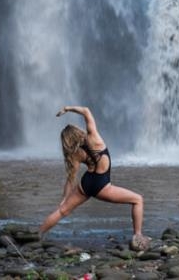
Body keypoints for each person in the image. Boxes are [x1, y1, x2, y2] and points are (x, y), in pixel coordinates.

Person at [39, 105, 150, 251]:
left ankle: (37, 234)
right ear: (78, 132)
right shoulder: (93, 136)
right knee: (137, 200)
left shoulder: (74, 154)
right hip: (102, 185)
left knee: (62, 211)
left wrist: (64, 199)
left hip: (86, 183)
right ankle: (137, 236)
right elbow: (86, 111)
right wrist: (67, 108)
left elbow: (71, 179)